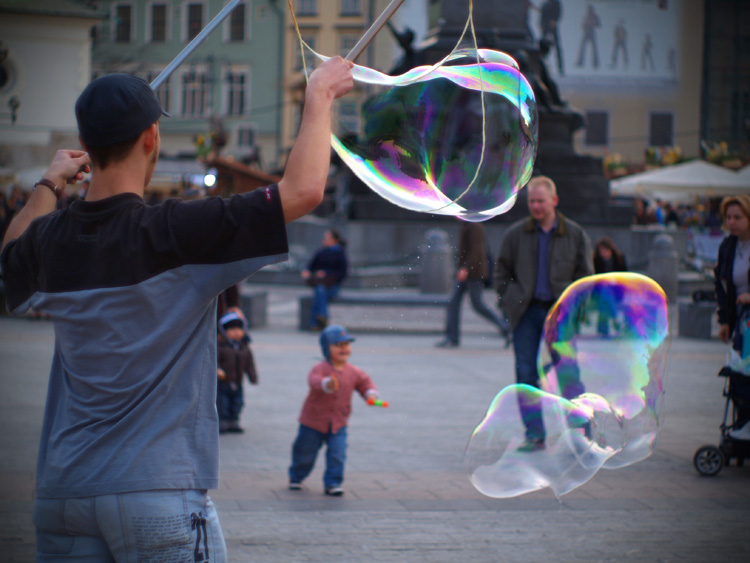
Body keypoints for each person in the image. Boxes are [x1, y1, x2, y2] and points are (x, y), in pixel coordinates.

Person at [1, 57, 354, 560]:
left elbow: (11, 254)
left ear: (88, 146)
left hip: (64, 493)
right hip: (156, 492)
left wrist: (50, 183)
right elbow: (303, 192)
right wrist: (319, 96)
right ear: (151, 138)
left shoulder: (54, 239)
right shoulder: (176, 231)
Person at [494, 176, 593, 451]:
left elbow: (585, 278)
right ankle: (535, 435)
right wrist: (512, 300)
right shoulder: (515, 234)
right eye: (532, 201)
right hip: (526, 314)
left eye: (541, 201)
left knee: (567, 373)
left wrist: (574, 311)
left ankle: (580, 433)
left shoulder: (574, 234)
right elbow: (501, 273)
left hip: (560, 317)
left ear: (554, 201)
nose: (536, 206)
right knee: (526, 374)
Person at [288, 325, 380, 496]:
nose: (344, 348)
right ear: (326, 348)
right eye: (338, 345)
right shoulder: (321, 368)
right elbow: (314, 380)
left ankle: (333, 483)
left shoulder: (353, 371)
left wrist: (371, 394)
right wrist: (327, 384)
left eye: (347, 344)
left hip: (338, 422)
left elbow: (365, 383)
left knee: (338, 453)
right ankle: (296, 476)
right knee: (305, 451)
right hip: (313, 421)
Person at [436, 221, 511, 348]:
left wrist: (466, 268)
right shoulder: (468, 225)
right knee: (453, 303)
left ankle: (506, 328)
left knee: (477, 304)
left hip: (472, 273)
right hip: (467, 271)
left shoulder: (474, 226)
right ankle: (452, 337)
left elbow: (476, 250)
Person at [715, 195, 750, 438]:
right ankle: (742, 427)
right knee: (741, 376)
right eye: (728, 217)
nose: (732, 222)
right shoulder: (728, 246)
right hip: (741, 322)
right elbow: (722, 286)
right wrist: (725, 321)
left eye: (738, 217)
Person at [217, 311, 258, 434]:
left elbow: (250, 363)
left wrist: (252, 376)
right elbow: (214, 360)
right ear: (224, 331)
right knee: (222, 402)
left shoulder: (244, 347)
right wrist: (217, 370)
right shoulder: (220, 346)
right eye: (232, 329)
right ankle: (223, 421)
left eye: (239, 329)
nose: (236, 332)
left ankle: (234, 420)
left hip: (238, 381)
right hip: (223, 382)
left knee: (238, 402)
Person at [302, 229, 348, 330]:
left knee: (319, 292)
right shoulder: (321, 252)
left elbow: (343, 273)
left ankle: (315, 323)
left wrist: (326, 273)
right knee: (320, 291)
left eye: (327, 238)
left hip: (333, 286)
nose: (324, 240)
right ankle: (321, 317)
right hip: (321, 283)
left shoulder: (340, 254)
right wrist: (307, 271)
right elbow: (310, 266)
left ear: (334, 240)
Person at [593, 237, 628, 337]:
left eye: (605, 250)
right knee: (605, 292)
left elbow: (625, 277)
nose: (603, 253)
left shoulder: (619, 259)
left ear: (610, 249)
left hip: (617, 291)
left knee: (606, 295)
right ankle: (615, 318)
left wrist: (614, 281)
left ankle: (603, 329)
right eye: (601, 251)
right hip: (600, 292)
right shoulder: (596, 261)